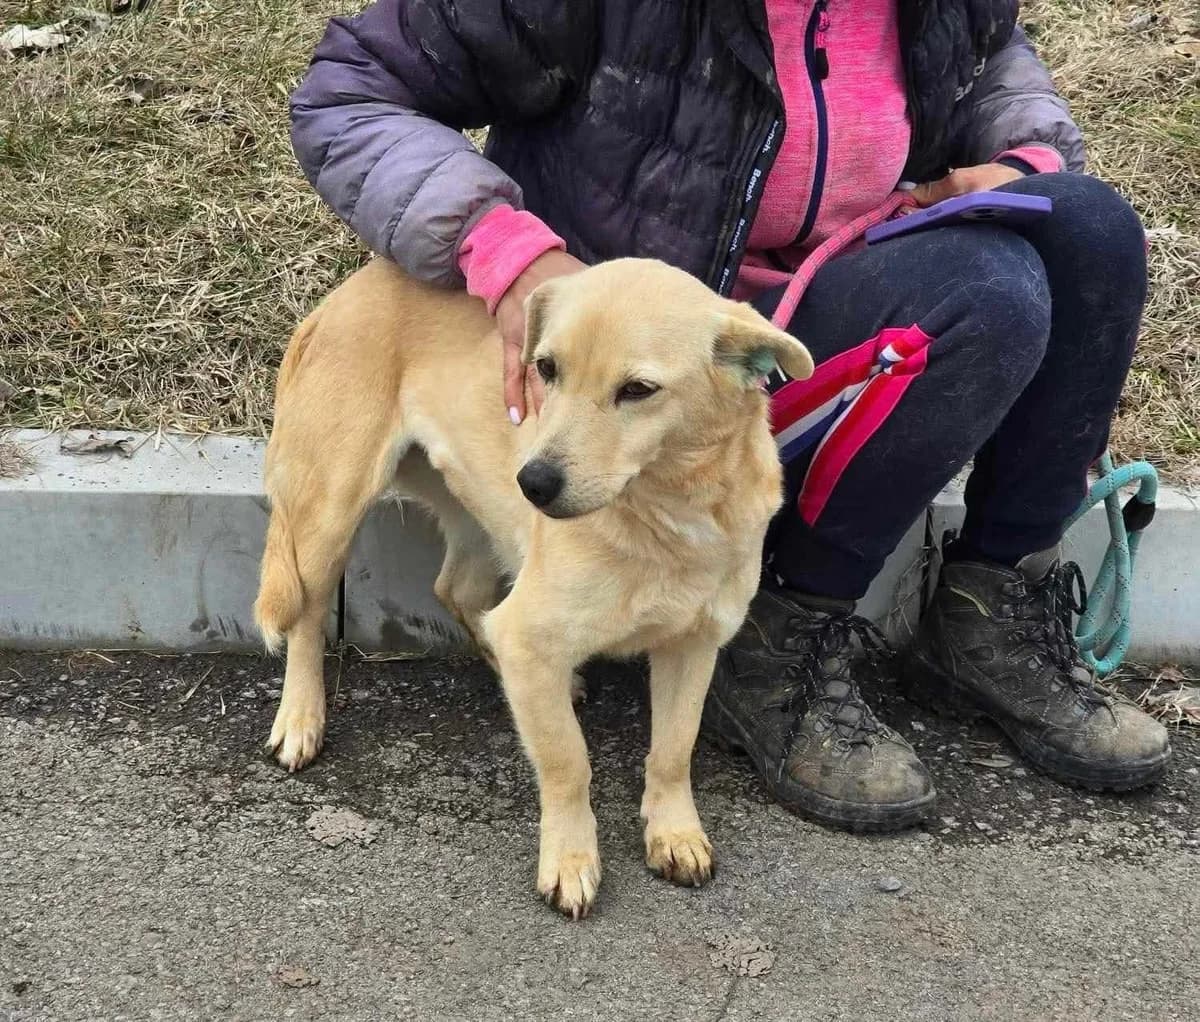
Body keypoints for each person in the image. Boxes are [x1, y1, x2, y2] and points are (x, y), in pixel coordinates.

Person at [289, 0, 1171, 832]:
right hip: (631, 333)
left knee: (1088, 224)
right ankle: (780, 642)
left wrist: (1021, 153)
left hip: (801, 321)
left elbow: (982, 61)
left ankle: (992, 606)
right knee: (995, 291)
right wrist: (509, 250)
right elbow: (350, 90)